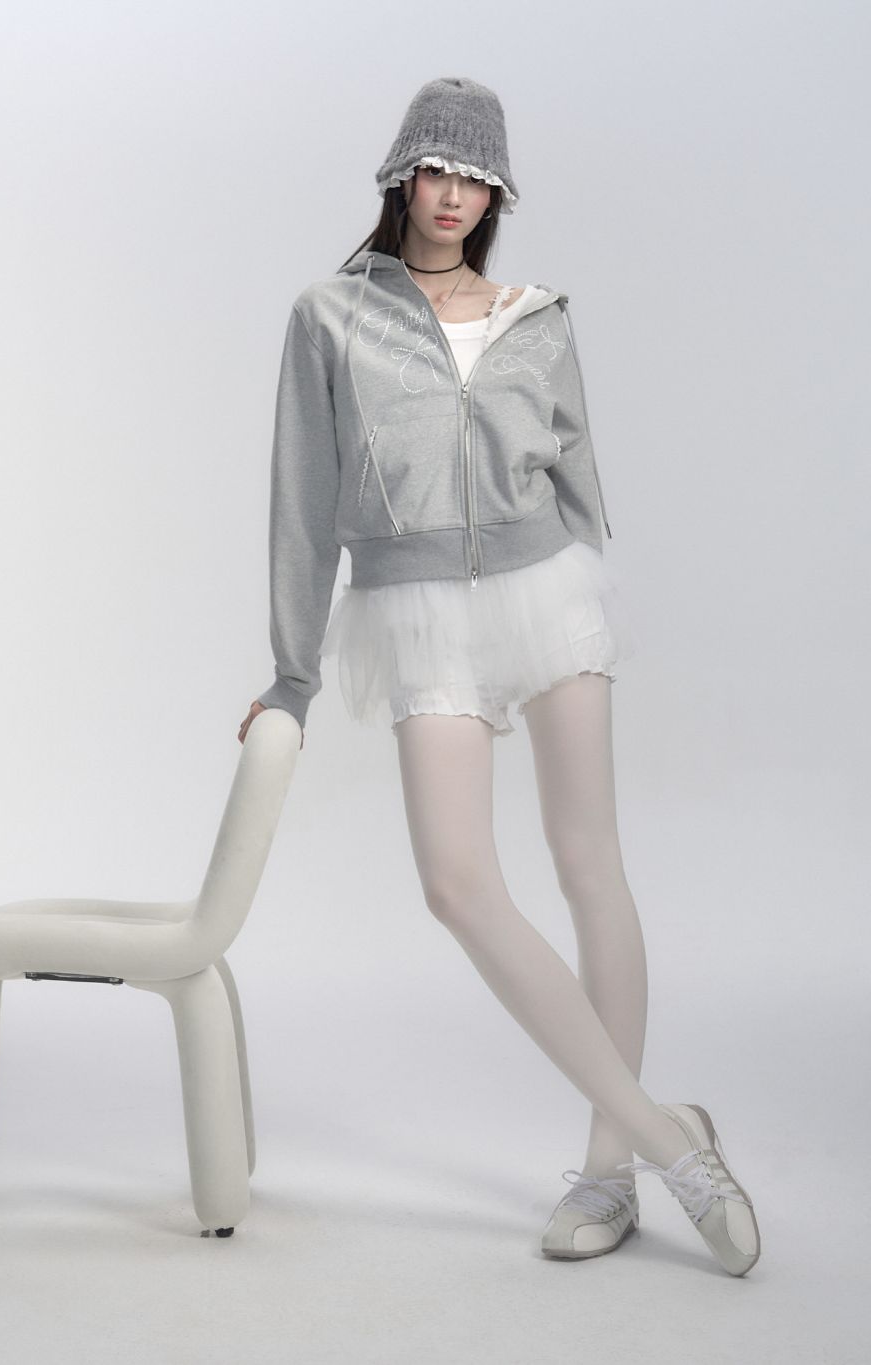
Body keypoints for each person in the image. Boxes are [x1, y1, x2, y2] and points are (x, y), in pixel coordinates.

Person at [238, 76, 760, 1275]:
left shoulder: (538, 314)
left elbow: (577, 469)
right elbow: (300, 502)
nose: (454, 195)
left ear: (495, 196)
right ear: (402, 175)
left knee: (588, 865)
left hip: (543, 591)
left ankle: (608, 1171)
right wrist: (290, 676)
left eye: (476, 178)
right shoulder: (330, 316)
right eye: (437, 169)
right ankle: (670, 1139)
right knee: (458, 885)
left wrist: (579, 582)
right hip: (415, 608)